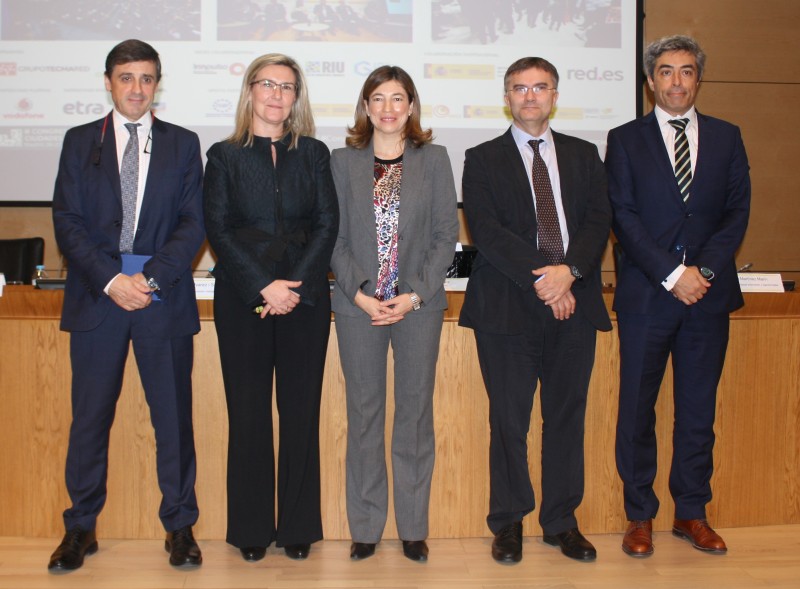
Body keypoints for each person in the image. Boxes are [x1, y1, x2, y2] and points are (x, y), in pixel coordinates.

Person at [49, 39, 205, 572]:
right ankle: (80, 528)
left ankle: (180, 527)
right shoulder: (78, 142)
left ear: (157, 84)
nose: (136, 88)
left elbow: (193, 223)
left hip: (160, 299)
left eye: (146, 78)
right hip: (98, 297)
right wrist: (113, 278)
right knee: (90, 419)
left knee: (173, 420)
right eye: (126, 77)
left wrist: (148, 278)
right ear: (109, 82)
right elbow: (66, 221)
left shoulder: (183, 144)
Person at [459, 56, 611, 563]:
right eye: (519, 88)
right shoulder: (481, 158)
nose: (529, 96)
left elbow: (596, 221)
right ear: (507, 97)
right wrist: (549, 276)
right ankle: (508, 523)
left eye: (539, 87)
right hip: (506, 307)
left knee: (566, 417)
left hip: (576, 302)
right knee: (509, 419)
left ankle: (561, 521)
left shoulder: (585, 154)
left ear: (555, 95)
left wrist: (570, 271)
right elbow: (487, 230)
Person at [606, 34, 750, 557]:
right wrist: (672, 273)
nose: (676, 81)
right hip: (649, 297)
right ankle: (639, 515)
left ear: (698, 78)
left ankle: (691, 511)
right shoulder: (624, 139)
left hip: (708, 299)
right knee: (637, 413)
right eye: (665, 72)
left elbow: (737, 213)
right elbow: (623, 215)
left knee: (697, 412)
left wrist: (702, 271)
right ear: (650, 82)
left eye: (686, 71)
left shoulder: (728, 137)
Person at [203, 53, 338, 563]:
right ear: (250, 91)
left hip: (304, 300)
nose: (277, 94)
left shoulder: (315, 153)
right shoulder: (223, 155)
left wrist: (294, 286)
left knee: (301, 413)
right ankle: (252, 529)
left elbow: (328, 222)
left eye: (287, 86)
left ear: (296, 98)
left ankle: (299, 526)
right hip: (244, 298)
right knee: (249, 414)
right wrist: (264, 286)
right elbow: (218, 228)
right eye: (268, 84)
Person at [330, 65, 458, 563]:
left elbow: (446, 235)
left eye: (398, 98)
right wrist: (361, 293)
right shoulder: (342, 162)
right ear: (366, 107)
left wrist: (413, 296)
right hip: (357, 306)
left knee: (414, 415)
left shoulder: (435, 159)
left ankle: (412, 528)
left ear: (411, 106)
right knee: (364, 416)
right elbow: (333, 238)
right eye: (378, 98)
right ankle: (365, 526)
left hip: (417, 308)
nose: (388, 108)